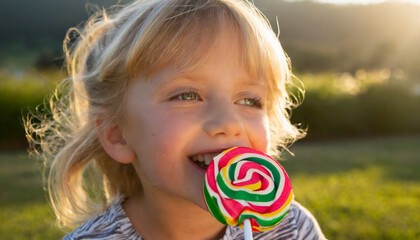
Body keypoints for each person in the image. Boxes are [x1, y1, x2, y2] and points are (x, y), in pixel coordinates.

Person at [26, 0, 326, 239]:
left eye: (250, 100)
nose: (228, 122)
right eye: (186, 95)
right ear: (118, 134)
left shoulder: (290, 229)